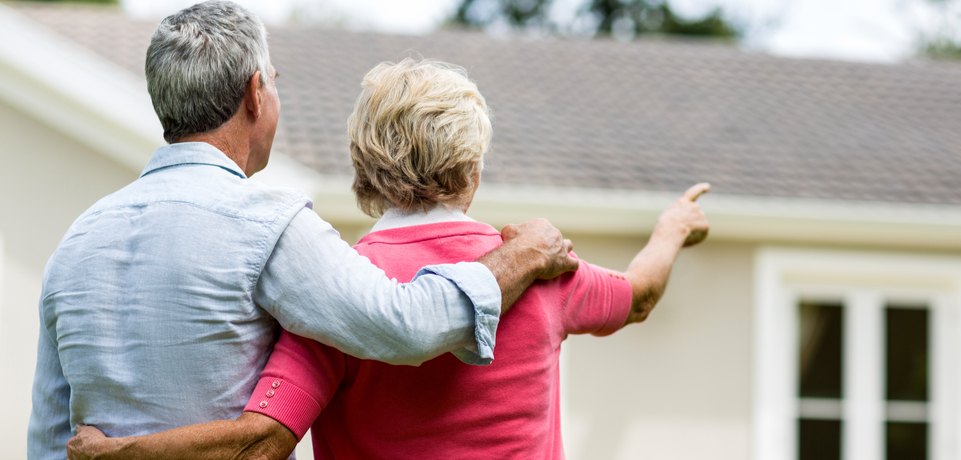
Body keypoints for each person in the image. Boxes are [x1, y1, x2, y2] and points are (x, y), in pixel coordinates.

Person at [67, 59, 710, 459]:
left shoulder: (337, 293)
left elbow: (261, 439)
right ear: (473, 162)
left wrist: (116, 452)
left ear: (364, 164)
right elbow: (641, 294)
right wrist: (673, 226)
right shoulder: (541, 269)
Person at [29, 3, 579, 459]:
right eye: (275, 82)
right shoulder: (268, 226)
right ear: (255, 94)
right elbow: (408, 327)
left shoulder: (77, 240)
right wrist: (522, 256)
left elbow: (52, 439)